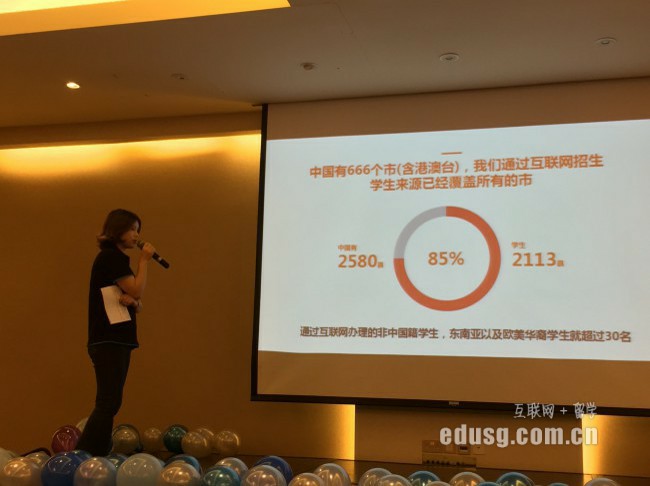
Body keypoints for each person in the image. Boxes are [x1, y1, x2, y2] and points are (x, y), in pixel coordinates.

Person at [76, 209, 156, 456]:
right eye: (132, 229)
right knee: (107, 401)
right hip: (108, 340)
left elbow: (134, 300)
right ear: (117, 229)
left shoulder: (116, 259)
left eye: (138, 230)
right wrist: (144, 261)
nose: (136, 235)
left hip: (116, 340)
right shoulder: (112, 257)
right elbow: (136, 289)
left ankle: (96, 454)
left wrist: (134, 302)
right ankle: (82, 455)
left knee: (111, 401)